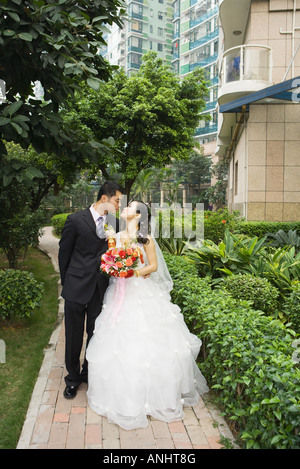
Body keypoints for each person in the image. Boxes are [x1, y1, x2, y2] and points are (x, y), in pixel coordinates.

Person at [86, 201, 209, 430]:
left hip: (142, 292)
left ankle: (155, 396)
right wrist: (114, 267)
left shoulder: (146, 239)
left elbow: (152, 267)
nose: (124, 208)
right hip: (119, 293)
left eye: (130, 206)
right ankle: (123, 393)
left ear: (139, 215)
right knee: (118, 341)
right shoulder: (116, 235)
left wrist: (132, 271)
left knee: (149, 341)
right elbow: (109, 259)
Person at [58, 181, 124, 399]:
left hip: (99, 287)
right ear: (104, 199)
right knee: (73, 336)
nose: (118, 205)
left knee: (95, 333)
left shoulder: (114, 223)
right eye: (117, 201)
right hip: (76, 287)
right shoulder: (76, 220)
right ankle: (73, 378)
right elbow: (64, 255)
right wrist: (67, 283)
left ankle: (87, 372)